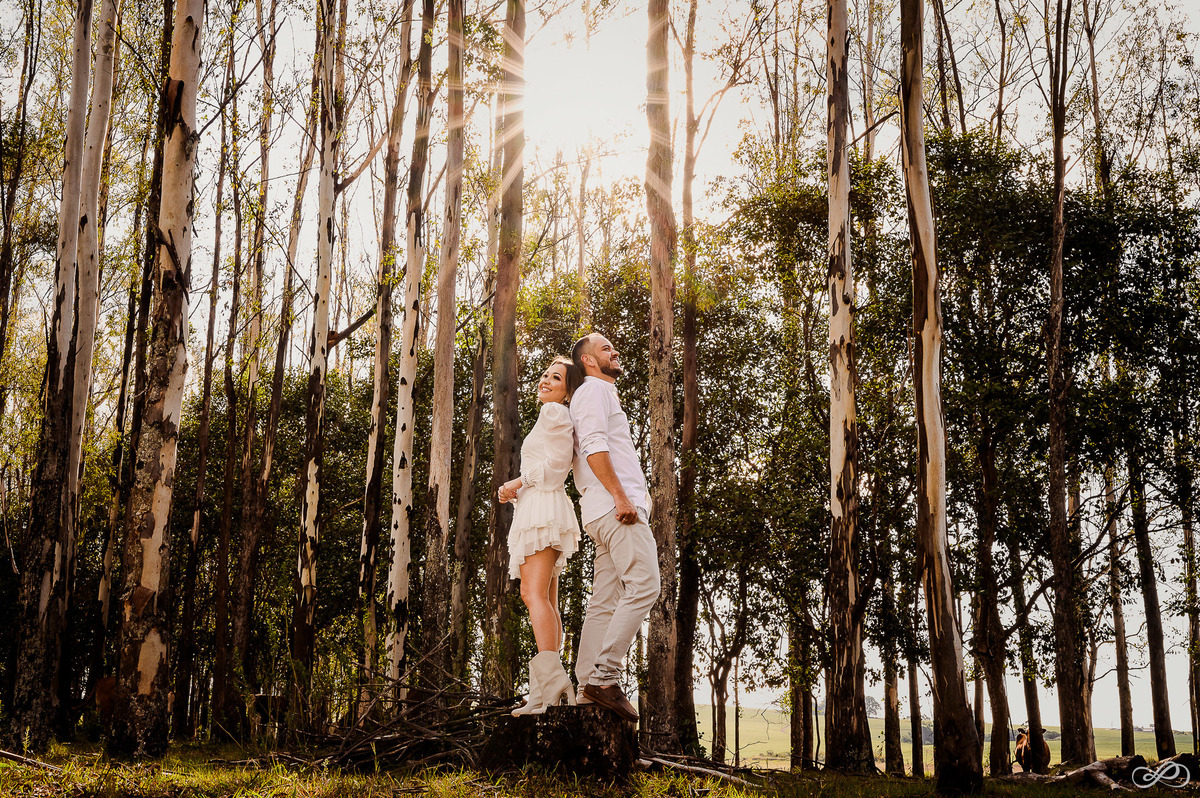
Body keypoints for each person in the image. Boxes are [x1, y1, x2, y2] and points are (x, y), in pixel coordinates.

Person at [569, 332, 660, 723]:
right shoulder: (594, 391)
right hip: (615, 509)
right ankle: (604, 676)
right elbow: (592, 445)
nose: (614, 352)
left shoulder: (597, 394)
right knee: (646, 584)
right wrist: (622, 498)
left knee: (604, 602)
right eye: (606, 348)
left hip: (600, 512)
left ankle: (585, 692)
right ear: (589, 361)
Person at [497, 356, 583, 715]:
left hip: (545, 507)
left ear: (568, 392)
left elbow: (558, 466)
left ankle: (551, 685)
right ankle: (546, 691)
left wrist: (519, 481)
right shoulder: (550, 414)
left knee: (533, 594)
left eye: (557, 378)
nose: (546, 380)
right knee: (543, 596)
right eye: (546, 374)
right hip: (539, 506)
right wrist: (522, 489)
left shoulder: (554, 413)